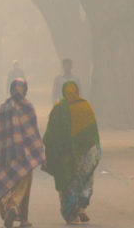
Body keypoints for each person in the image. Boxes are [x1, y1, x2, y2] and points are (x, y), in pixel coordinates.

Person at [0, 78, 45, 228]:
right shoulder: (28, 107)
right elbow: (33, 133)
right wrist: (40, 153)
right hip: (25, 157)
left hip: (5, 156)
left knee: (7, 184)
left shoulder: (3, 108)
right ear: (25, 90)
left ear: (11, 90)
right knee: (24, 187)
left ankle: (10, 208)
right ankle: (21, 216)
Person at [42, 81, 101, 224]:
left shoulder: (59, 108)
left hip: (66, 156)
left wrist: (48, 153)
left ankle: (71, 215)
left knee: (68, 184)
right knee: (84, 181)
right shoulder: (85, 106)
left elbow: (50, 135)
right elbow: (93, 134)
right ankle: (81, 207)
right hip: (87, 154)